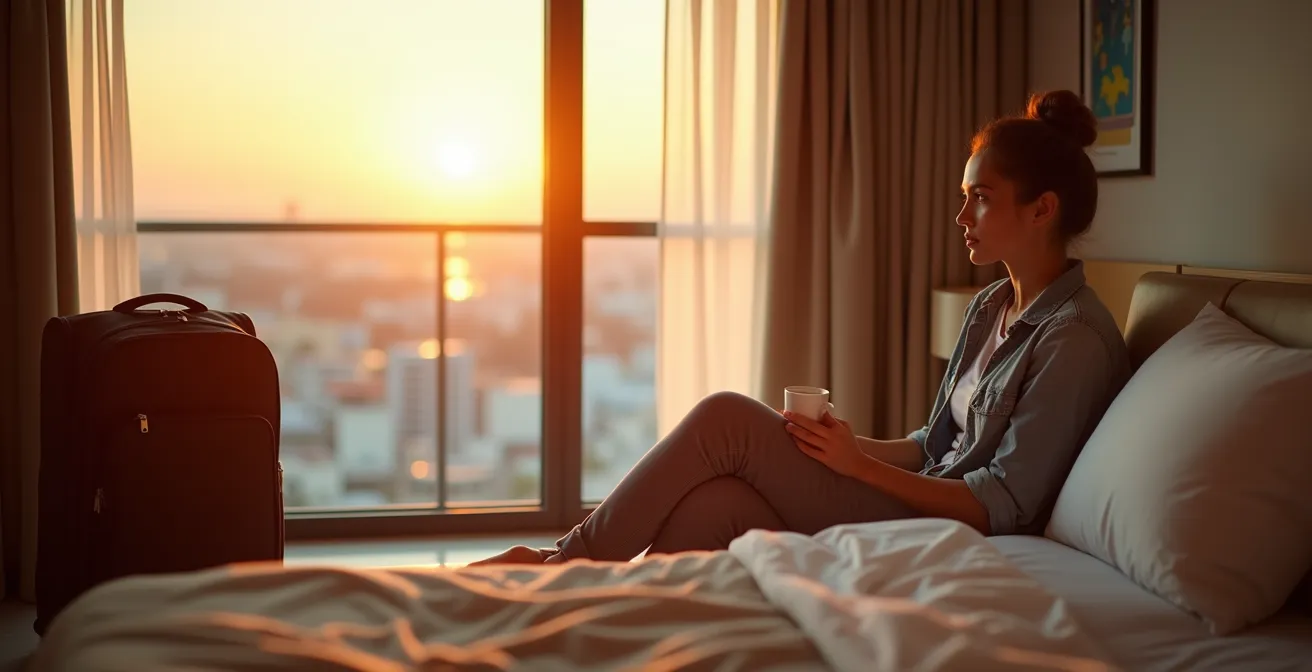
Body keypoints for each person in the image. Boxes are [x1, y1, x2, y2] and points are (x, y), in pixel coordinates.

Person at [473, 90, 1131, 566]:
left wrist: (858, 470)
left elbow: (1001, 505)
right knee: (714, 506)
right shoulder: (991, 306)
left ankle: (562, 569)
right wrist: (849, 446)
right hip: (915, 502)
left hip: (949, 531)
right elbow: (935, 442)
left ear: (1042, 209)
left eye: (980, 197)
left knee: (726, 418)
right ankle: (624, 617)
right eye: (964, 194)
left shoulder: (1072, 338)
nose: (961, 214)